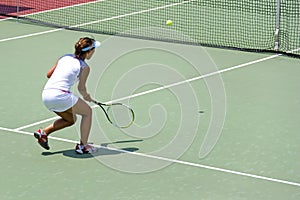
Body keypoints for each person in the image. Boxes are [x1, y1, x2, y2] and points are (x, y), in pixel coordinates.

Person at [34, 37, 100, 154]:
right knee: (87, 112)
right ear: (89, 52)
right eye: (93, 50)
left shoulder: (64, 57)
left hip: (46, 95)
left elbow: (49, 74)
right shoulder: (84, 67)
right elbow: (81, 88)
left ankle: (44, 133)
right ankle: (83, 146)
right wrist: (87, 96)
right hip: (60, 95)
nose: (94, 52)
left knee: (71, 119)